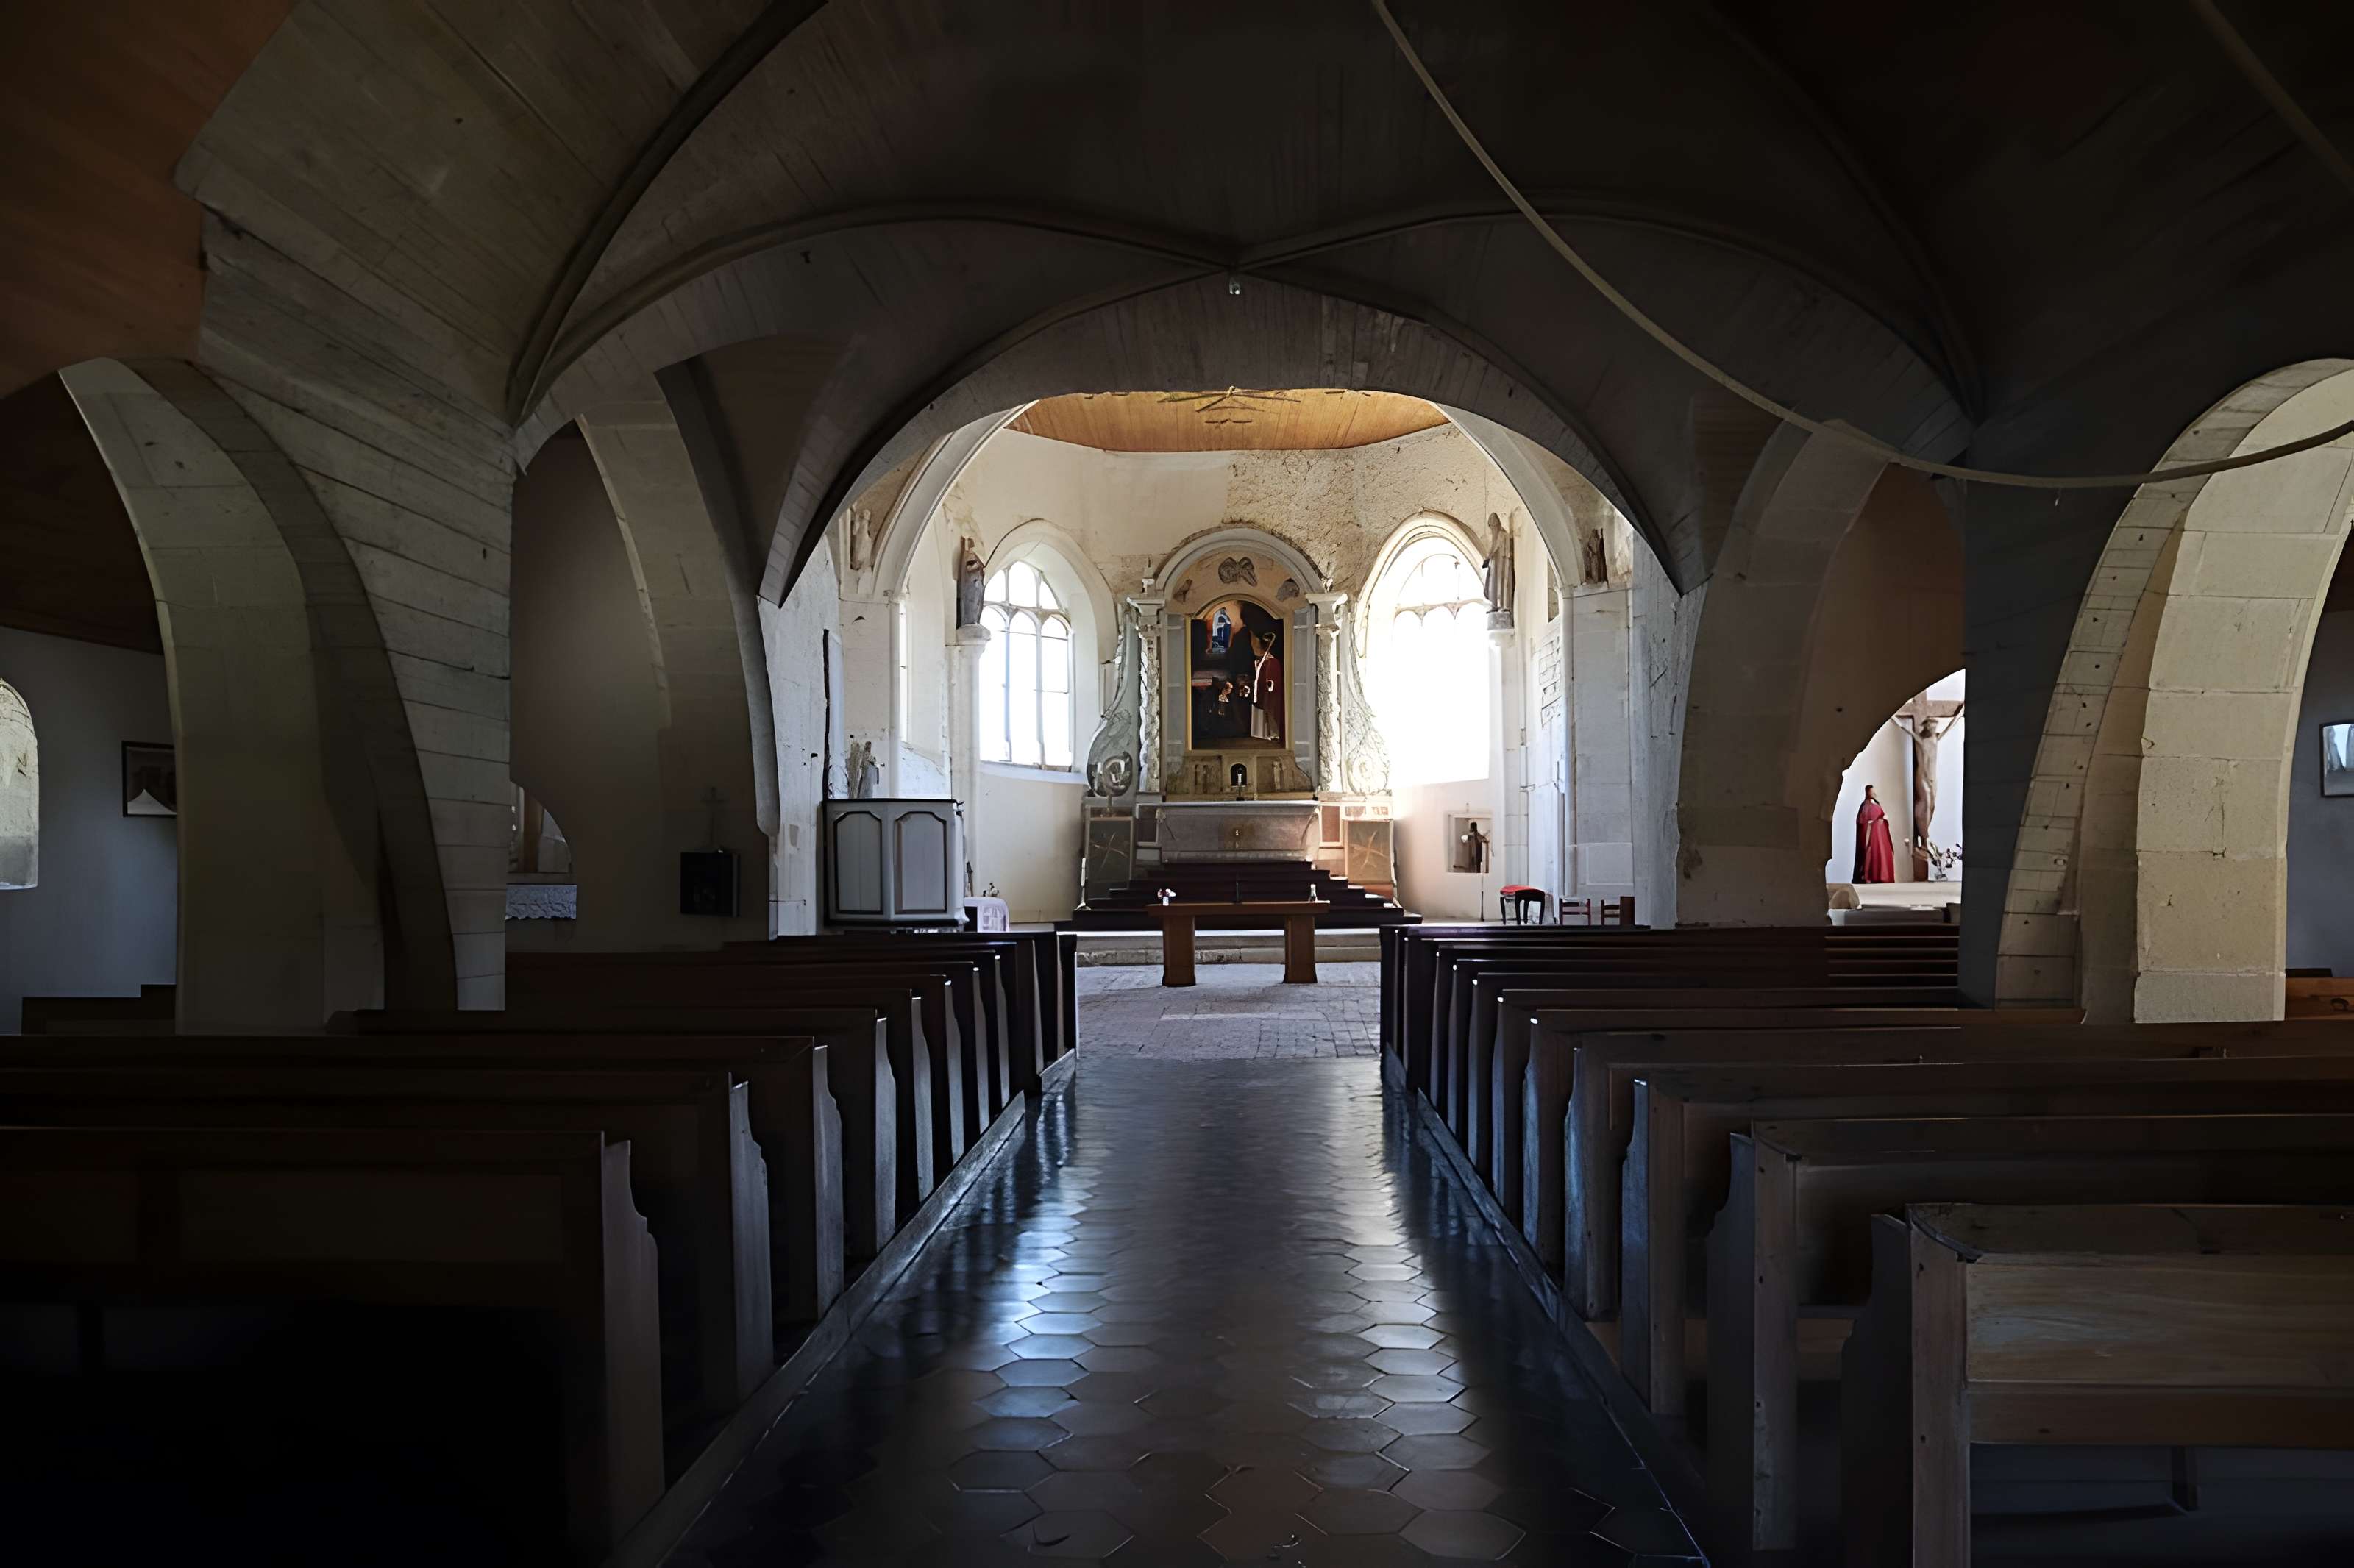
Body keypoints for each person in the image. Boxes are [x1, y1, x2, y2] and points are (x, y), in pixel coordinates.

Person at [1854, 784, 1897, 883]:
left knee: (1882, 855)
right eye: (1871, 792)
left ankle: (1882, 875)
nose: (1873, 793)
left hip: (1879, 836)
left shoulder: (1876, 804)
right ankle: (1869, 875)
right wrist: (1873, 823)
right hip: (1871, 837)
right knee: (1870, 855)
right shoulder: (1865, 806)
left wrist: (1883, 820)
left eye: (1874, 792)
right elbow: (1863, 821)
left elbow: (1881, 815)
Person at [1247, 631, 1282, 742]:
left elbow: (1272, 678)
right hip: (1261, 692)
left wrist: (1269, 687)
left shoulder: (1272, 661)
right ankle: (1264, 734)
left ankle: (1274, 734)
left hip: (1270, 694)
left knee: (1270, 713)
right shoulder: (1261, 660)